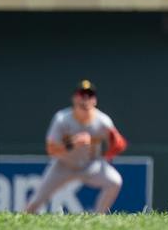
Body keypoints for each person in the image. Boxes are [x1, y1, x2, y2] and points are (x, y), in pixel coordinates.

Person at [24, 79, 127, 213]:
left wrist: (111, 151)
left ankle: (99, 217)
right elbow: (50, 149)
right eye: (81, 95)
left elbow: (119, 143)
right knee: (35, 202)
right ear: (74, 99)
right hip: (63, 165)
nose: (85, 99)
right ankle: (22, 221)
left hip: (91, 166)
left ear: (94, 100)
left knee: (115, 182)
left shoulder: (103, 122)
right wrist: (72, 143)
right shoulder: (62, 119)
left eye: (89, 95)